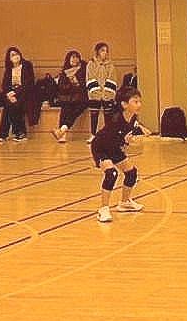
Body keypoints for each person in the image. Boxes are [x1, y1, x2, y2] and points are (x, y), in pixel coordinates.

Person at [91, 87, 154, 223]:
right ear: (124, 104)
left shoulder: (132, 117)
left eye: (139, 101)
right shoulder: (115, 119)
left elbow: (131, 128)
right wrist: (126, 142)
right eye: (135, 102)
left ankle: (125, 202)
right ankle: (103, 209)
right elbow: (112, 140)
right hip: (101, 147)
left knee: (131, 173)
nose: (139, 104)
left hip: (114, 148)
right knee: (111, 173)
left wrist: (139, 129)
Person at [0, 46, 36, 142]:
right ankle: (6, 134)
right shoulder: (9, 69)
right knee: (8, 105)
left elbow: (29, 83)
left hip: (25, 93)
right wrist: (9, 94)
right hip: (12, 93)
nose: (15, 56)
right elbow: (5, 85)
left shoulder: (27, 65)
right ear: (9, 58)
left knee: (14, 105)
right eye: (12, 55)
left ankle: (17, 132)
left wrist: (15, 93)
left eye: (16, 54)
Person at [85, 42, 119, 142]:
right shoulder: (91, 64)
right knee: (94, 114)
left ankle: (108, 135)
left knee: (108, 115)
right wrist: (97, 92)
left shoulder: (111, 65)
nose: (105, 53)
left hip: (107, 94)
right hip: (95, 94)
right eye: (102, 50)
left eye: (106, 51)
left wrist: (106, 93)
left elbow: (112, 79)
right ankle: (93, 134)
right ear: (97, 52)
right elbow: (90, 78)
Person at [51, 50, 88, 143]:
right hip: (67, 97)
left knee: (76, 109)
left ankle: (62, 130)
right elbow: (61, 87)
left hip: (81, 97)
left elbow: (85, 85)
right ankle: (63, 134)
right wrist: (70, 85)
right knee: (65, 109)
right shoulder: (65, 71)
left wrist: (76, 82)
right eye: (73, 57)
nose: (75, 59)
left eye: (77, 57)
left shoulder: (84, 69)